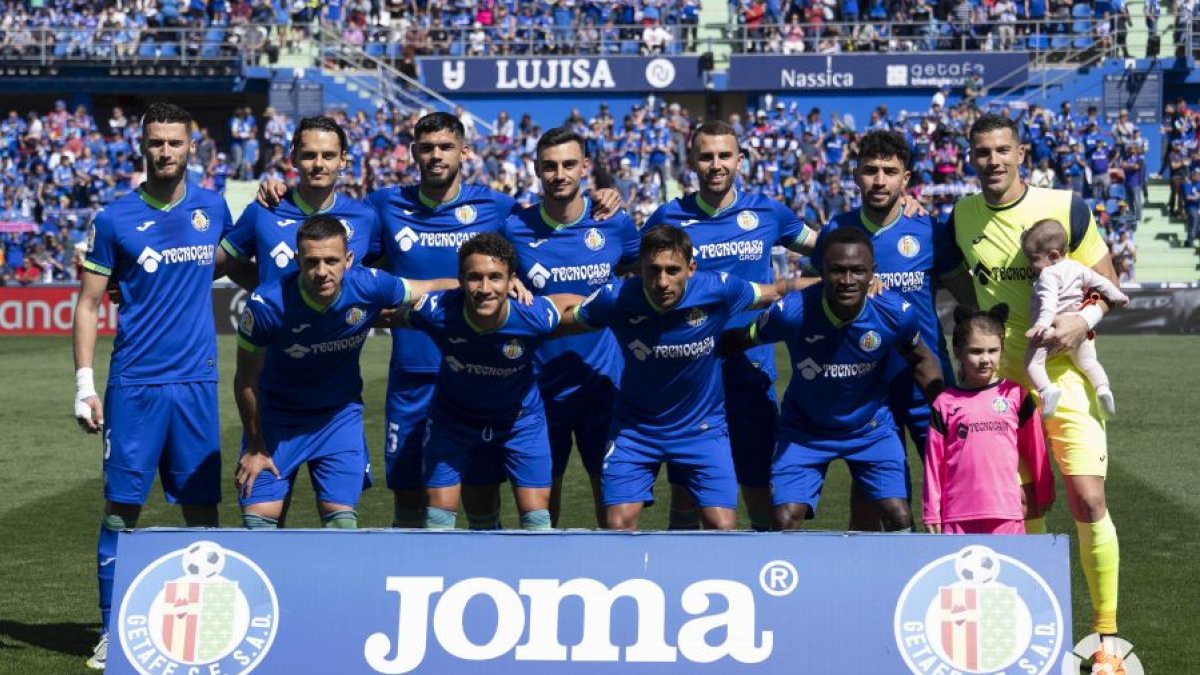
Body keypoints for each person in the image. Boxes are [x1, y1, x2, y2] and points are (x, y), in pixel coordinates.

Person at [257, 111, 621, 528]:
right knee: (412, 500)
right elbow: (343, 265)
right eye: (426, 148)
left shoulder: (500, 209)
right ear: (413, 153)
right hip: (414, 377)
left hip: (483, 379)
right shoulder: (382, 207)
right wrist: (282, 192)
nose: (436, 156)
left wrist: (601, 200)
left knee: (483, 498)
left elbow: (552, 226)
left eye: (446, 147)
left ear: (465, 151)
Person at [945, 113, 1125, 666]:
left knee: (1088, 498)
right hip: (1005, 387)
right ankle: (1030, 631)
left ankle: (1105, 638)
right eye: (982, 153)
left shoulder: (1066, 206)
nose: (993, 161)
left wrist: (1083, 322)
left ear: (1021, 152)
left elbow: (1108, 284)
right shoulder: (961, 215)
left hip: (1065, 376)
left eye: (1002, 150)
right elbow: (957, 284)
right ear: (969, 158)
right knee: (1023, 504)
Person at [72, 102, 234, 671]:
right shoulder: (115, 218)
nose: (164, 152)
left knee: (203, 511)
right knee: (122, 509)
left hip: (196, 382)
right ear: (142, 147)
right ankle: (110, 629)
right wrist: (84, 384)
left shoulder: (214, 208)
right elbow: (89, 303)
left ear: (193, 147)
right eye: (155, 143)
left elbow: (238, 261)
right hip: (135, 384)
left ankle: (209, 626)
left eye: (174, 142)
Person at [644, 120, 814, 531]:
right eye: (706, 156)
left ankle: (764, 585)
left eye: (724, 156)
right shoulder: (668, 216)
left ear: (740, 160)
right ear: (691, 162)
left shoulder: (768, 211)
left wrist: (873, 262)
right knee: (685, 497)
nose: (715, 165)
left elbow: (826, 246)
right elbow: (629, 263)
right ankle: (677, 581)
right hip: (689, 380)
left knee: (759, 490)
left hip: (751, 373)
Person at [233, 215, 453, 529]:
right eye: (312, 262)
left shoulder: (370, 284)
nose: (322, 272)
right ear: (297, 260)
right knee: (259, 525)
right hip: (276, 420)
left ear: (348, 260)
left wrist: (491, 283)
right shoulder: (267, 305)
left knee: (341, 525)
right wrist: (255, 446)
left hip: (338, 416)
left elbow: (429, 287)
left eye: (332, 261)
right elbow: (246, 380)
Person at [722, 227, 945, 531]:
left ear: (872, 273)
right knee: (785, 518)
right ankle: (792, 578)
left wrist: (948, 409)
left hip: (871, 428)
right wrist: (696, 349)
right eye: (837, 271)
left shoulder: (894, 312)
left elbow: (920, 359)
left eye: (857, 271)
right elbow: (742, 338)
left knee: (899, 516)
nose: (848, 280)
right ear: (821, 272)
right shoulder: (792, 312)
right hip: (805, 429)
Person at [560, 225, 782, 530]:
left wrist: (830, 283)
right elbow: (566, 316)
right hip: (636, 430)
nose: (662, 281)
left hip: (702, 429)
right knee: (617, 524)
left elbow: (776, 291)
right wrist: (507, 311)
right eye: (653, 270)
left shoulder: (717, 289)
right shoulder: (616, 298)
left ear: (691, 269)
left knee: (722, 527)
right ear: (640, 268)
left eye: (672, 270)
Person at [810, 130, 970, 531]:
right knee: (873, 490)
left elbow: (968, 298)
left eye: (889, 171)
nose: (879, 180)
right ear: (855, 175)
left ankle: (954, 569)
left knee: (950, 478)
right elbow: (817, 302)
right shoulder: (837, 232)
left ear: (906, 178)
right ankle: (871, 576)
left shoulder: (930, 231)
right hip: (864, 383)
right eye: (870, 171)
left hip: (925, 377)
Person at [395, 233, 580, 531]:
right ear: (460, 280)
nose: (484, 288)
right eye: (474, 278)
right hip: (453, 421)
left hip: (519, 423)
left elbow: (574, 305)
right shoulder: (437, 311)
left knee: (537, 522)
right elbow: (387, 312)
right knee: (437, 524)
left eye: (495, 278)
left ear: (511, 281)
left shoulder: (531, 314)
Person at [503, 127, 640, 527]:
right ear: (536, 170)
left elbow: (639, 271)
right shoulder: (515, 229)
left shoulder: (615, 223)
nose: (559, 174)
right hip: (539, 388)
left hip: (604, 384)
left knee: (614, 509)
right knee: (542, 507)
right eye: (549, 166)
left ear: (585, 167)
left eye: (568, 164)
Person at [924, 305, 1055, 534]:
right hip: (956, 515)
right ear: (958, 352)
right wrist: (931, 510)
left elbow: (1036, 448)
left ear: (1002, 349)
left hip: (1006, 512)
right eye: (976, 351)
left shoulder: (1016, 395)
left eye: (992, 351)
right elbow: (933, 464)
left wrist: (1044, 491)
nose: (985, 359)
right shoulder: (944, 403)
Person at [222, 116, 379, 289]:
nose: (318, 164)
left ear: (342, 160)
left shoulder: (365, 218)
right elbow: (223, 264)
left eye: (328, 156)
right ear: (293, 158)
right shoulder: (264, 209)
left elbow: (379, 277)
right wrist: (266, 291)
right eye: (309, 155)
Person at [1021, 219, 1130, 417]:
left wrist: (1041, 326)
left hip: (1054, 329)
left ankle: (1048, 391)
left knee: (1031, 364)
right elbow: (1103, 284)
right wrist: (1119, 297)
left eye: (1033, 259)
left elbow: (1049, 304)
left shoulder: (1048, 274)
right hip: (1080, 329)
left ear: (1053, 255)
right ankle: (1103, 388)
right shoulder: (1078, 268)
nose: (1031, 265)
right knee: (1088, 363)